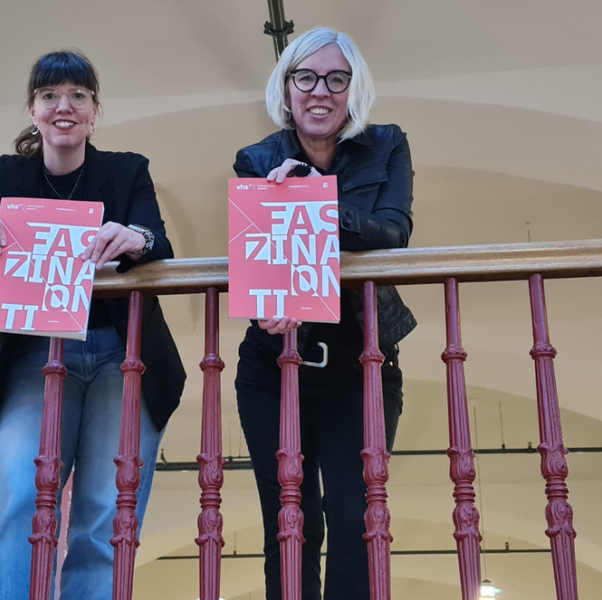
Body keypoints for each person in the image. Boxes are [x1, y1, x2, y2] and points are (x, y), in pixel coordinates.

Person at [0, 50, 186, 600]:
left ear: (95, 111)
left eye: (78, 96)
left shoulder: (126, 169)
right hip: (34, 357)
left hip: (125, 356)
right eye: (49, 96)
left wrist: (136, 239)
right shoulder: (2, 175)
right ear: (32, 109)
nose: (63, 106)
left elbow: (157, 241)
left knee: (103, 514)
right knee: (21, 495)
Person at [232, 28, 417, 600]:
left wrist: (320, 199)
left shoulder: (387, 144)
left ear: (352, 89)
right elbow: (263, 257)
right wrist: (273, 307)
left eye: (337, 79)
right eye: (306, 77)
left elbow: (394, 233)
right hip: (273, 366)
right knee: (290, 523)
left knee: (354, 514)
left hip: (361, 360)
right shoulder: (256, 159)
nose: (320, 91)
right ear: (285, 88)